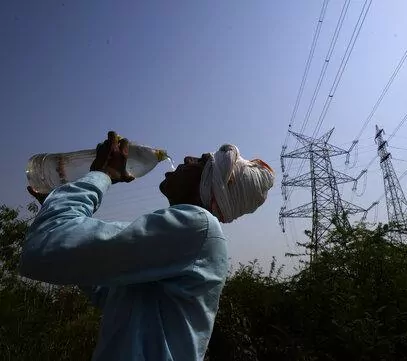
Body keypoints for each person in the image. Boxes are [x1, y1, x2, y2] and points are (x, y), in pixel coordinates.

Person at [20, 131, 274, 361]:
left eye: (199, 161)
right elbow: (110, 293)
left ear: (209, 185)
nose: (186, 158)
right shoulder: (183, 240)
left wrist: (101, 174)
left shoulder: (198, 227)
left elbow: (44, 247)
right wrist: (58, 209)